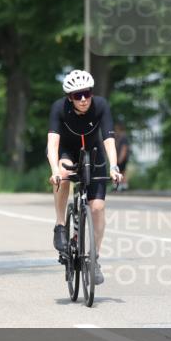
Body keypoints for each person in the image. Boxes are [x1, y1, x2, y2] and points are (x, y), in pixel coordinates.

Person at [47, 70, 122, 285]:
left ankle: (94, 259)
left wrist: (114, 166)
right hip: (67, 152)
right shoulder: (59, 108)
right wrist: (54, 169)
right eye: (77, 95)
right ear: (69, 97)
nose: (82, 100)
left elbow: (108, 139)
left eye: (86, 94)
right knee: (63, 172)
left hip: (94, 152)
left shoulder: (100, 105)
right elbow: (52, 143)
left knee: (97, 208)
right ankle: (61, 224)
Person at [114, 121, 131, 192]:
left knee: (121, 171)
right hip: (118, 157)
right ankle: (119, 185)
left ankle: (123, 186)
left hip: (121, 158)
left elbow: (124, 148)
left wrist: (120, 158)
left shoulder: (123, 136)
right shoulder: (118, 136)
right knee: (119, 171)